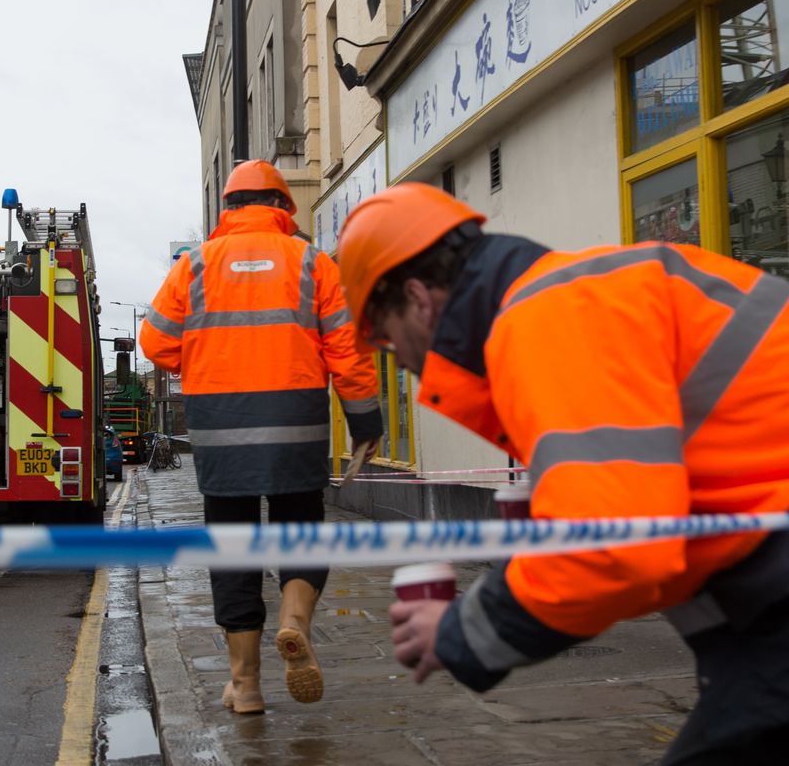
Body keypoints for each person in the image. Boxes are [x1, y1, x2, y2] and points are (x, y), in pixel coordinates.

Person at [334, 182, 789, 764]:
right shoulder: (569, 301)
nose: (391, 353)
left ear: (419, 298)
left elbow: (616, 548)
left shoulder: (545, 320)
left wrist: (457, 631)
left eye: (381, 335)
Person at [140, 159, 383, 714]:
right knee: (302, 529)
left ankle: (245, 686)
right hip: (297, 426)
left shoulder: (194, 267)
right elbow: (348, 349)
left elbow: (154, 342)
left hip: (221, 430)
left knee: (232, 550)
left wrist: (200, 356)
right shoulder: (313, 263)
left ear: (228, 208)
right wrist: (366, 419)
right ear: (282, 207)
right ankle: (294, 622)